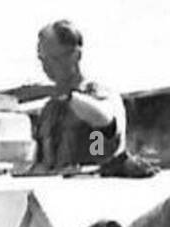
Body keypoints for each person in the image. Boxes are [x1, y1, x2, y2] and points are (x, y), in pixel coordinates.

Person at [20, 21, 128, 172]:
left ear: (76, 55)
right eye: (43, 59)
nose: (46, 66)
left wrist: (67, 96)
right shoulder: (49, 110)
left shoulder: (99, 95)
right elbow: (42, 162)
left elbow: (104, 123)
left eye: (53, 58)